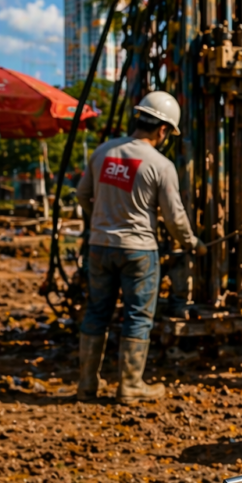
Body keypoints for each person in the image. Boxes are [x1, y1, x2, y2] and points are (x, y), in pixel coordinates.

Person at [75, 91, 206, 403]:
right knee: (137, 315)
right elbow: (174, 217)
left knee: (96, 311)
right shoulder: (160, 165)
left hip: (100, 246)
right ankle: (130, 385)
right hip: (138, 251)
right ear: (163, 130)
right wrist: (193, 244)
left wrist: (99, 221)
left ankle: (86, 385)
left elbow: (82, 194)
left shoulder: (103, 152)